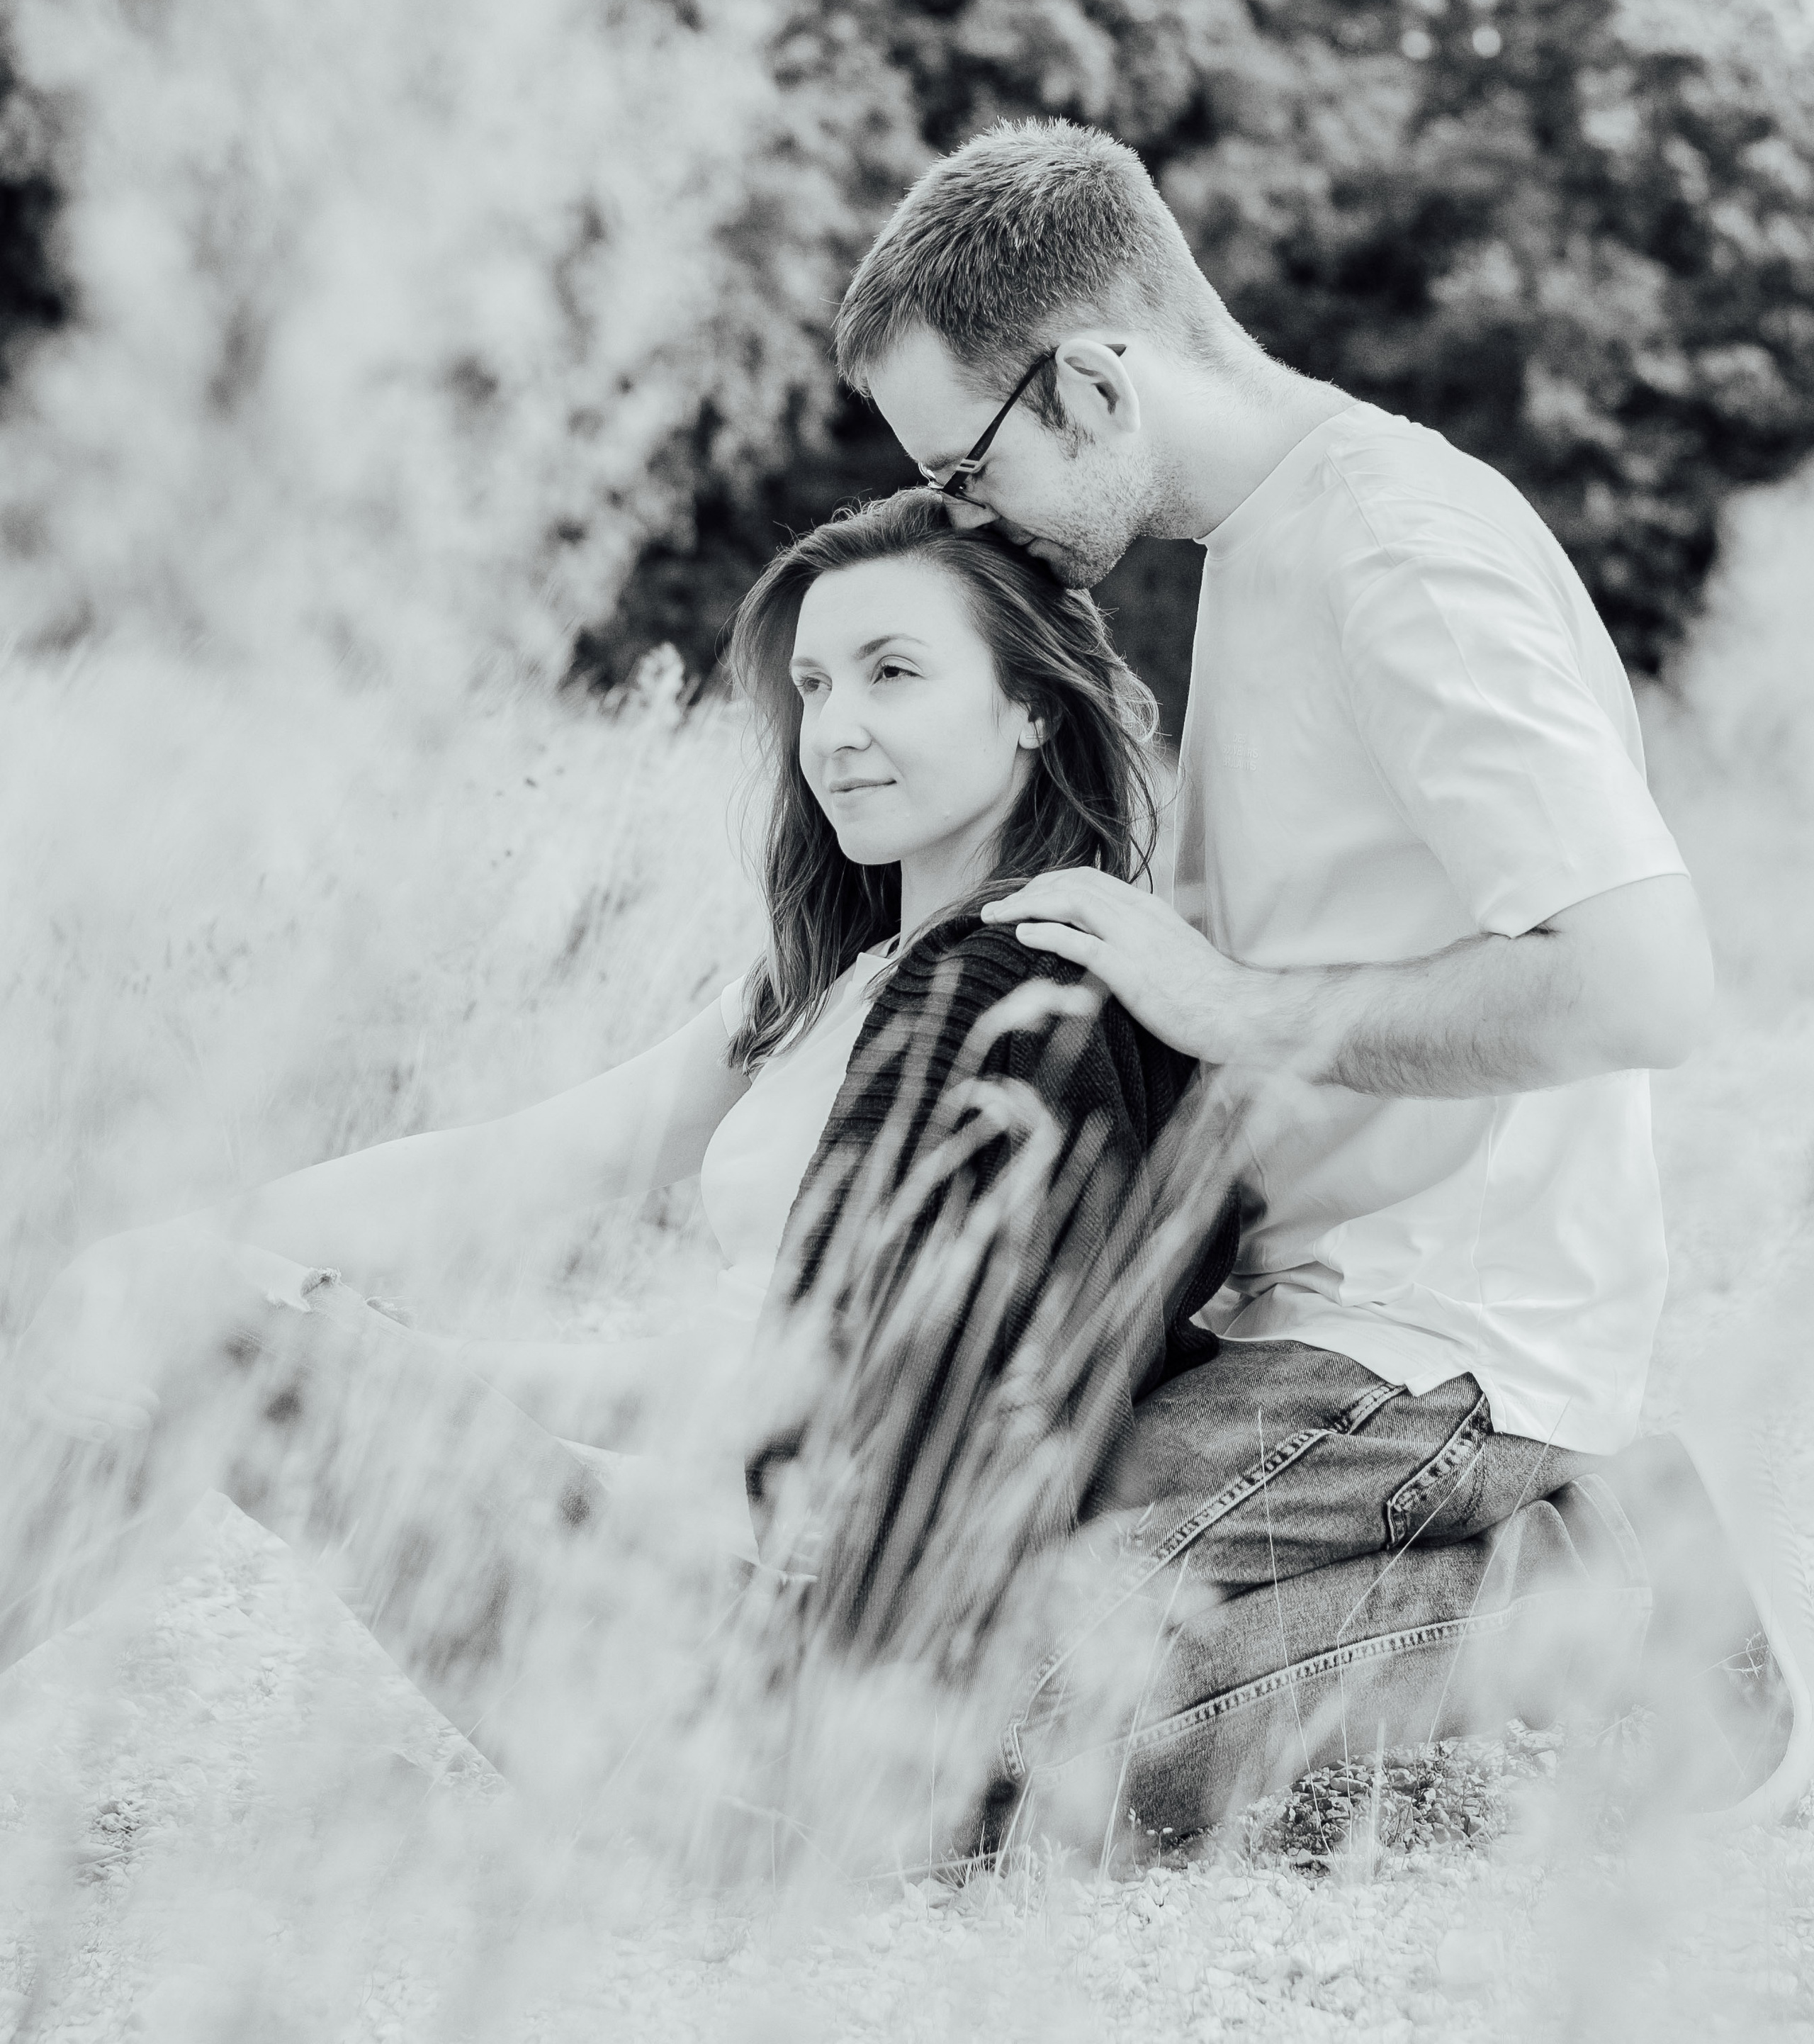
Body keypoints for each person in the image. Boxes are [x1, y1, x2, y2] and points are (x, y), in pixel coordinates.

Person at [833, 115, 1814, 1838]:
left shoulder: (1398, 556)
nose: (960, 514)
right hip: (1306, 1309)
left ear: (1087, 386)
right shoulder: (1261, 544)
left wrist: (1226, 1006)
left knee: (959, 1741)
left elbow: (1643, 983)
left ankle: (1606, 1620)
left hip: (1435, 1339)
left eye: (968, 469)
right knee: (882, 1633)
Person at [0, 493, 1224, 1830]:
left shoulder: (1017, 998)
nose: (838, 730)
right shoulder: (847, 975)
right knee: (172, 1313)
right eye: (814, 685)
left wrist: (406, 1375)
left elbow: (808, 1386)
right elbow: (526, 1161)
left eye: (896, 675)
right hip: (677, 1607)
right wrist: (190, 1241)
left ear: (1031, 711)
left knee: (212, 1348)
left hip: (769, 1707)